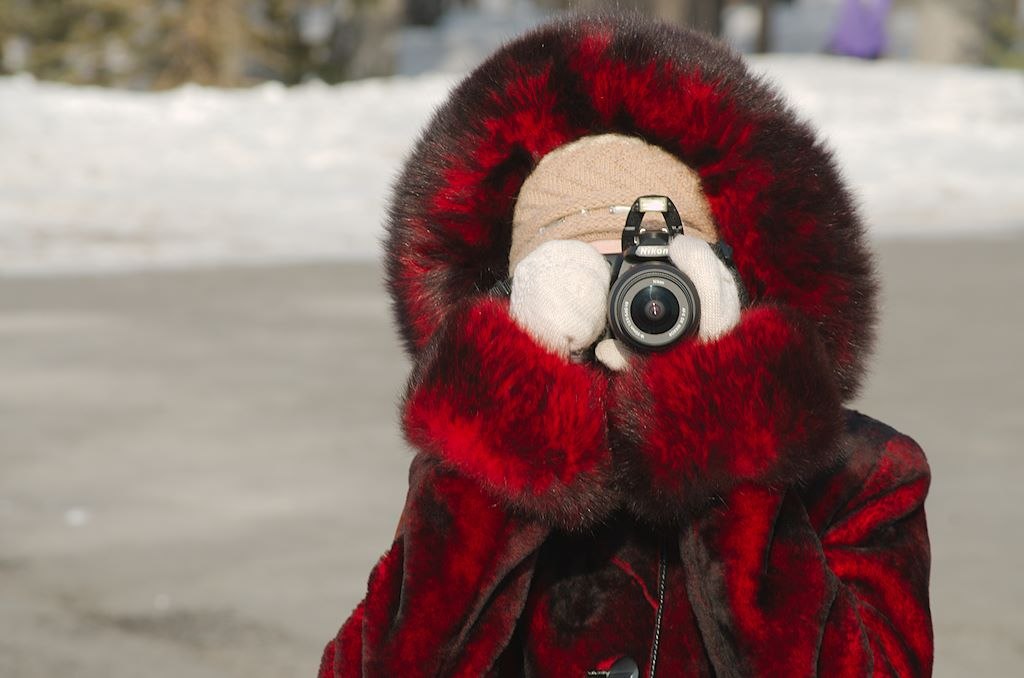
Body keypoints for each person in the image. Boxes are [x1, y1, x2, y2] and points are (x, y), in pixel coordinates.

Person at [319, 13, 933, 677]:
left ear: (724, 275)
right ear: (518, 297)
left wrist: (732, 427)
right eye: (589, 275)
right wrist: (506, 421)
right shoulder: (469, 480)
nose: (636, 306)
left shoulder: (861, 474)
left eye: (654, 271)